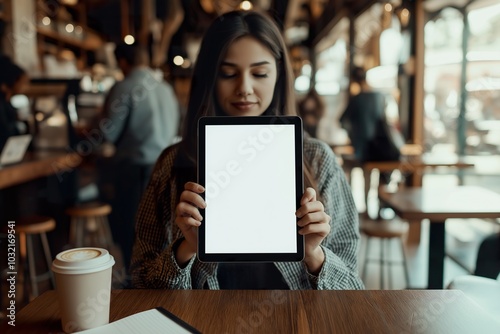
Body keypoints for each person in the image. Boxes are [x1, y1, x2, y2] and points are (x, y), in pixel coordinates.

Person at [130, 10, 363, 290]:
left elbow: (352, 289)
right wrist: (184, 249)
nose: (244, 88)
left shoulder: (316, 160)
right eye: (228, 73)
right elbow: (140, 281)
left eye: (260, 73)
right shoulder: (172, 164)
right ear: (209, 78)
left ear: (278, 74)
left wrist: (314, 254)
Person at [98, 42, 180, 278]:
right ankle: (155, 289)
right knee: (158, 237)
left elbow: (108, 133)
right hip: (167, 169)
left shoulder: (124, 86)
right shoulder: (165, 88)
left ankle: (133, 289)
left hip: (134, 171)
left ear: (122, 62)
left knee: (131, 235)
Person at [0, 56, 29, 150]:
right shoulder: (2, 103)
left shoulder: (7, 102)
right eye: (23, 82)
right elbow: (5, 130)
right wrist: (20, 126)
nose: (25, 87)